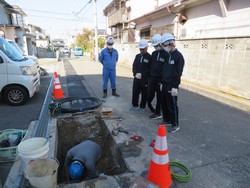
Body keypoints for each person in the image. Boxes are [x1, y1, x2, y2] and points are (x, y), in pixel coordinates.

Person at [161, 33, 185, 133]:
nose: (165, 48)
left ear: (171, 44)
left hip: (172, 85)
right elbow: (165, 70)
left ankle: (175, 124)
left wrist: (175, 86)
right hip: (165, 84)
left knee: (172, 105)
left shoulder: (178, 56)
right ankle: (167, 120)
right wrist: (162, 82)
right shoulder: (168, 55)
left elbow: (178, 72)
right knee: (165, 103)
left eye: (166, 46)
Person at [147, 34, 169, 119]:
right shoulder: (154, 53)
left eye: (156, 46)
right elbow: (151, 65)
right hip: (152, 78)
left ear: (160, 44)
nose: (155, 47)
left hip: (160, 79)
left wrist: (163, 80)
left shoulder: (166, 55)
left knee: (159, 96)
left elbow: (166, 69)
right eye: (154, 46)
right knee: (150, 94)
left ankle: (158, 112)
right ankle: (151, 106)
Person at [130, 39, 151, 112]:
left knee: (144, 93)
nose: (141, 50)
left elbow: (150, 69)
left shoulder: (149, 57)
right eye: (140, 49)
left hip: (144, 79)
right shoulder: (137, 56)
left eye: (143, 49)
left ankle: (142, 106)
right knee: (135, 91)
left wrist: (142, 74)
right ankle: (134, 104)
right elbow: (134, 65)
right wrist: (135, 73)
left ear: (146, 48)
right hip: (136, 78)